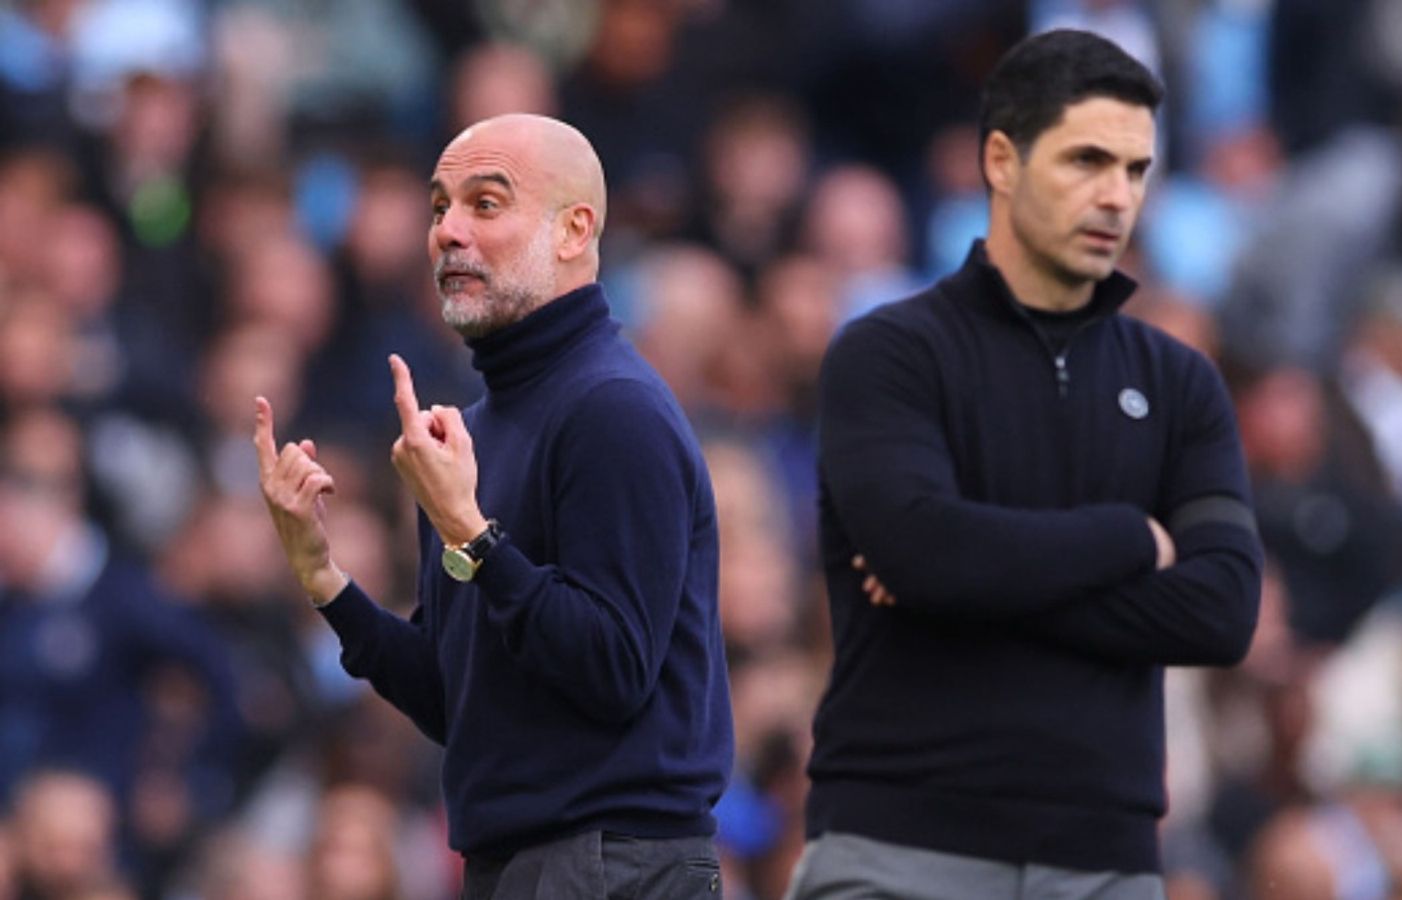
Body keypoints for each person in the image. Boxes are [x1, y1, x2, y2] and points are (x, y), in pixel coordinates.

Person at [787, 29, 1264, 900]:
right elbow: (923, 556)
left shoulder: (1181, 381)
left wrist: (971, 579)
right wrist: (1129, 538)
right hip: (897, 849)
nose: (1117, 197)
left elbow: (1222, 611)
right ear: (1001, 160)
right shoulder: (888, 354)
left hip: (1106, 863)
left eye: (1135, 169)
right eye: (1087, 160)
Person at [254, 114, 732, 899]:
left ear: (575, 229)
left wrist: (469, 533)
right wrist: (323, 576)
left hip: (615, 864)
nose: (447, 232)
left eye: (485, 203)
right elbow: (458, 699)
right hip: (514, 864)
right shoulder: (470, 434)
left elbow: (611, 670)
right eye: (439, 207)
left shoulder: (614, 409)